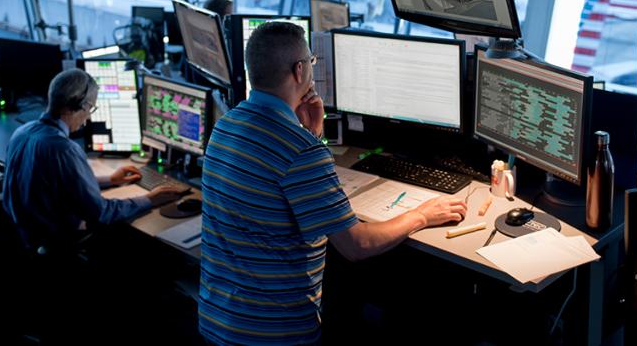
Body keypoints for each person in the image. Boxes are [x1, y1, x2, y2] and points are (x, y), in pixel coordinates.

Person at [199, 22, 467, 345]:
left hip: (217, 324)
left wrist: (313, 136)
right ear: (299, 71)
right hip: (272, 336)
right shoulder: (301, 153)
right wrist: (423, 214)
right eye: (311, 63)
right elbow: (356, 246)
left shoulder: (224, 127)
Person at [2, 68, 181, 254]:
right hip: (55, 245)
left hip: (22, 239)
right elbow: (100, 212)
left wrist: (110, 180)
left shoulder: (22, 132)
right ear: (81, 105)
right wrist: (149, 199)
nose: (88, 119)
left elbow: (58, 183)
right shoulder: (63, 149)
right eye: (91, 109)